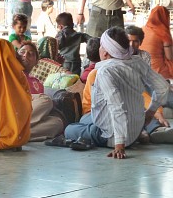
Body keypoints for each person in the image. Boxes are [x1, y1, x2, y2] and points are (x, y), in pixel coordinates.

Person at [50, 27, 169, 159]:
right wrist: (151, 112)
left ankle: (119, 137)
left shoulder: (105, 71)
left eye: (101, 46)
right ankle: (144, 132)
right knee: (89, 119)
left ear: (105, 53)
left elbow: (117, 107)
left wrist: (119, 144)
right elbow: (163, 87)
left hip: (113, 136)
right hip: (136, 129)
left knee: (70, 129)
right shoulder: (138, 62)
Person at [140, 6, 173, 79]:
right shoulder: (163, 33)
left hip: (141, 68)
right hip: (157, 71)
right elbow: (169, 57)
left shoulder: (142, 29)